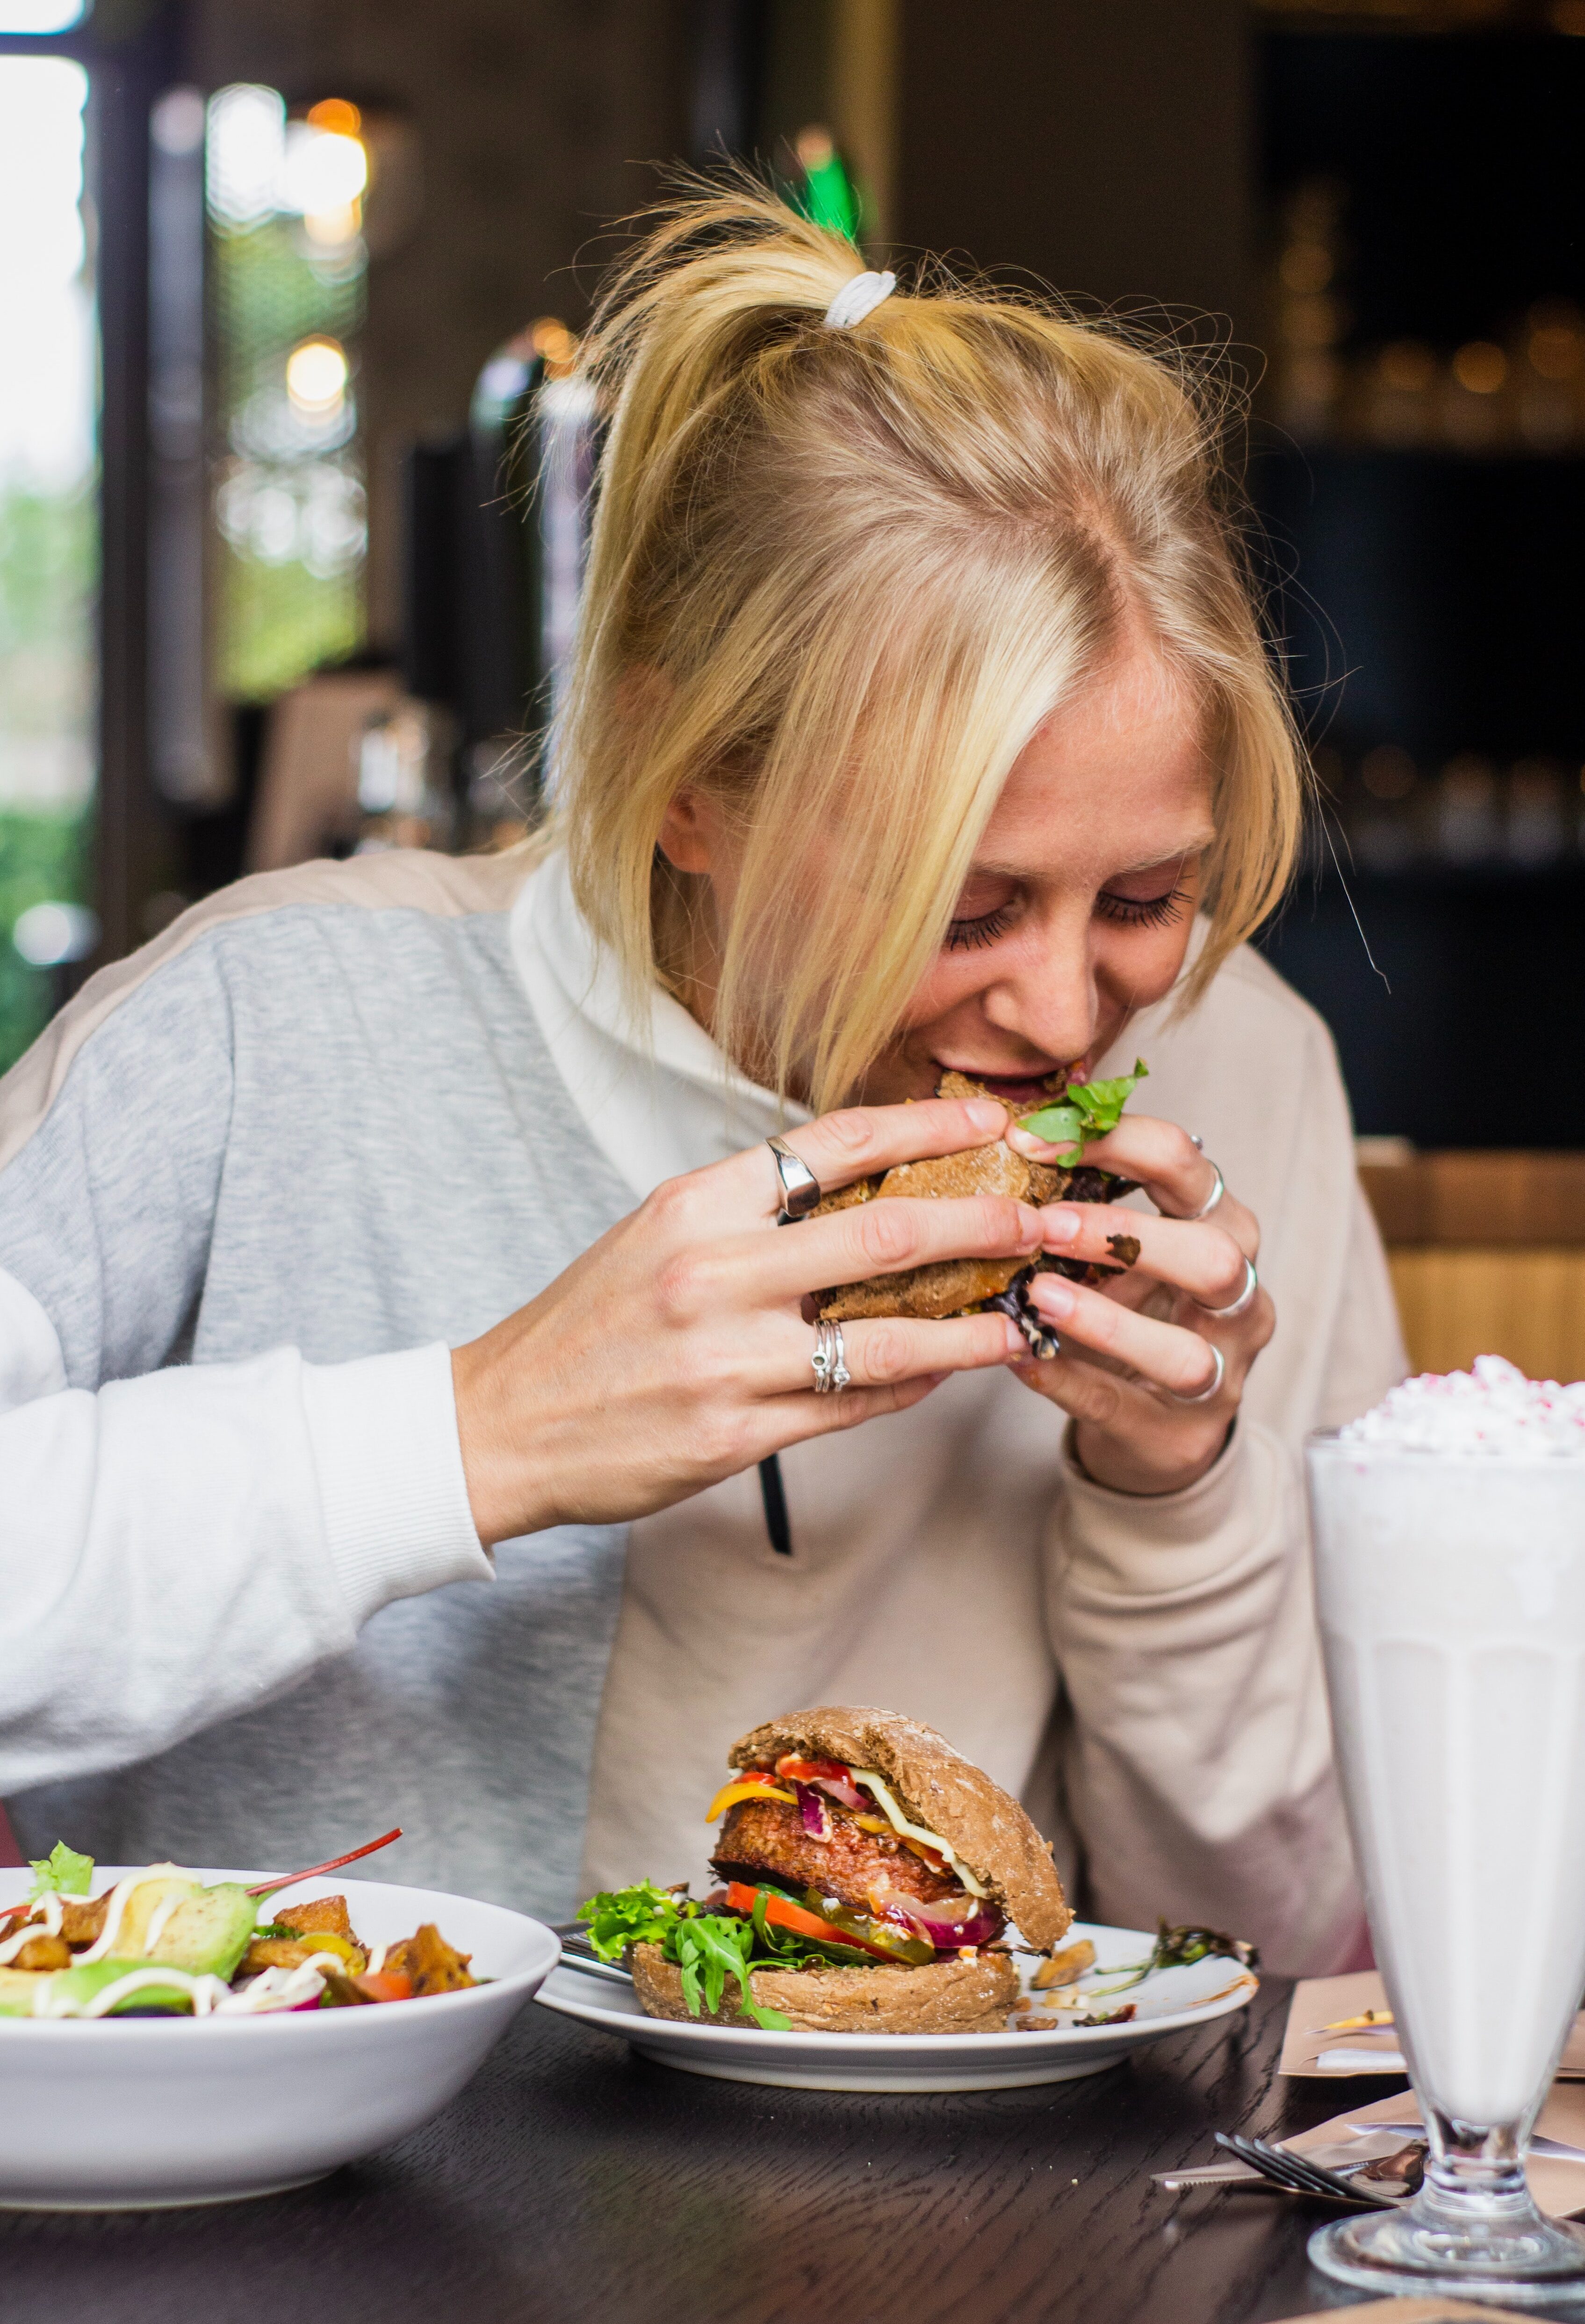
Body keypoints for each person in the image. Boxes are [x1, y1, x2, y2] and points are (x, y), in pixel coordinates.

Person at [0, 187, 1402, 1972]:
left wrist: (1178, 1489)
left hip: (976, 2236)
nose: (1069, 1013)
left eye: (1143, 896)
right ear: (681, 782)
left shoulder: (1244, 1061)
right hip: (288, 2208)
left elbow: (1292, 1952)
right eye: (961, 902)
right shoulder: (273, 1015)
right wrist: (481, 1428)